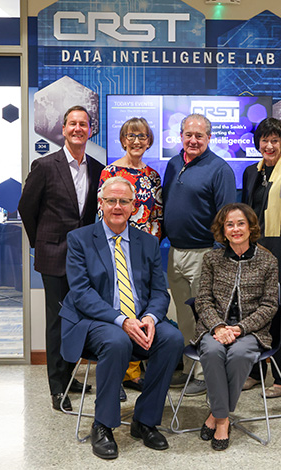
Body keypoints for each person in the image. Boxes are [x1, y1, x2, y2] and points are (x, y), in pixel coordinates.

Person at [59, 176, 183, 460]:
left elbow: (158, 291)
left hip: (139, 320)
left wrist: (151, 317)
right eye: (111, 200)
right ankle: (102, 425)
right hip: (93, 321)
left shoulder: (148, 242)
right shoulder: (80, 239)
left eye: (124, 201)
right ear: (101, 204)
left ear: (133, 206)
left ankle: (145, 420)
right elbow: (81, 293)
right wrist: (121, 320)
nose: (117, 206)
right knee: (117, 342)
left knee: (172, 339)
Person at [18, 105, 105, 413]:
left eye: (83, 124)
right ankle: (58, 387)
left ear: (90, 130)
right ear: (63, 130)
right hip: (53, 256)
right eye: (72, 124)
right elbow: (26, 208)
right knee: (57, 322)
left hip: (84, 259)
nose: (78, 129)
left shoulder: (97, 168)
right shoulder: (45, 165)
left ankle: (71, 375)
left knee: (79, 318)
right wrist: (41, 242)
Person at [193, 203, 278, 451]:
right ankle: (223, 418)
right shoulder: (212, 259)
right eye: (229, 224)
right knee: (212, 352)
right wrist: (219, 327)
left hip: (251, 330)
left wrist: (239, 328)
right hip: (213, 328)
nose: (236, 229)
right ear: (223, 230)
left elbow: (270, 305)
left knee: (240, 354)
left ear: (251, 227)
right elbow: (203, 300)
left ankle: (217, 417)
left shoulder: (268, 261)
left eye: (241, 223)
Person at [162, 113, 236, 396]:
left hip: (204, 254)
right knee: (183, 316)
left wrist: (218, 257)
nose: (193, 140)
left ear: (209, 138)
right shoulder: (173, 164)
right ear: (180, 136)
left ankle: (205, 375)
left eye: (199, 136)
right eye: (188, 135)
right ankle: (188, 367)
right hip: (175, 253)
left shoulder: (220, 169)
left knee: (205, 316)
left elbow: (227, 217)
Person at [99, 117, 163, 398]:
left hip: (144, 250)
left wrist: (153, 247)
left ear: (149, 141)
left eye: (142, 136)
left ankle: (134, 369)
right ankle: (119, 371)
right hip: (115, 248)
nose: (137, 141)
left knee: (141, 304)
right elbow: (99, 213)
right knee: (120, 304)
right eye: (131, 135)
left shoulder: (153, 175)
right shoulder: (110, 173)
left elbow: (158, 216)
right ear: (123, 140)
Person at [241, 118, 281, 398]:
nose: (269, 145)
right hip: (253, 252)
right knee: (252, 311)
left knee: (275, 313)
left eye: (275, 140)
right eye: (265, 140)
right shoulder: (252, 172)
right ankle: (255, 373)